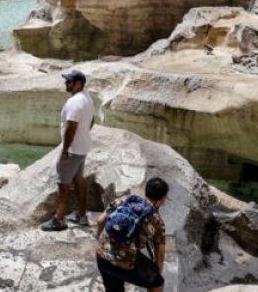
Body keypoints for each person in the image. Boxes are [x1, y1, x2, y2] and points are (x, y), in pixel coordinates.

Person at [41, 70, 94, 231]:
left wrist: (65, 149)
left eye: (69, 82)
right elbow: (92, 120)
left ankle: (59, 219)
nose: (66, 84)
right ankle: (82, 216)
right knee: (79, 180)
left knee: (63, 185)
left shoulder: (74, 102)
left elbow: (71, 126)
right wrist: (84, 135)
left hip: (72, 150)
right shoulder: (87, 98)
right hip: (82, 147)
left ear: (78, 84)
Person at [95, 178, 169, 292]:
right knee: (158, 284)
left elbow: (100, 221)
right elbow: (160, 255)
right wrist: (157, 277)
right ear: (162, 199)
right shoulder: (157, 222)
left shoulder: (125, 200)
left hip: (102, 256)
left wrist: (101, 244)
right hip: (124, 263)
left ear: (145, 191)